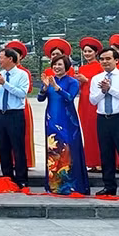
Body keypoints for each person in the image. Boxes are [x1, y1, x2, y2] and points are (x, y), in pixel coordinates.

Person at [90, 48, 119, 198]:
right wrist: (103, 91)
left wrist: (110, 89)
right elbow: (92, 100)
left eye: (108, 59)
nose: (105, 62)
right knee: (106, 154)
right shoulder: (96, 78)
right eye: (102, 59)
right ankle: (109, 186)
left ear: (116, 60)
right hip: (103, 118)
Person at [38, 55, 88, 195]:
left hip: (67, 119)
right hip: (51, 119)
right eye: (54, 65)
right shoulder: (49, 81)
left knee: (68, 149)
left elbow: (70, 98)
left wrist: (57, 87)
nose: (56, 67)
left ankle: (71, 185)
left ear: (66, 66)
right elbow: (40, 99)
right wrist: (44, 88)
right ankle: (54, 185)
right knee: (53, 150)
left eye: (59, 64)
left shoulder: (72, 82)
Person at [0, 48, 30, 188]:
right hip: (0, 114)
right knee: (3, 147)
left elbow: (21, 93)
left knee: (18, 147)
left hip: (15, 114)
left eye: (1, 57)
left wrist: (4, 83)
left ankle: (21, 179)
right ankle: (7, 177)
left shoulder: (22, 75)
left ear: (10, 59)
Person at [4, 40, 35, 168]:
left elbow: (28, 89)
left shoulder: (24, 72)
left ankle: (24, 161)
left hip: (21, 106)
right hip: (6, 107)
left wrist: (9, 86)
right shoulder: (3, 72)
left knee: (23, 135)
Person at [76, 37, 104, 173]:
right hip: (84, 102)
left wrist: (86, 80)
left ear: (96, 53)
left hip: (95, 102)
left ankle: (100, 161)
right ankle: (91, 162)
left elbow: (100, 83)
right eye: (85, 51)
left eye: (89, 51)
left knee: (96, 132)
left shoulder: (100, 67)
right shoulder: (82, 67)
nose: (86, 54)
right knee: (87, 132)